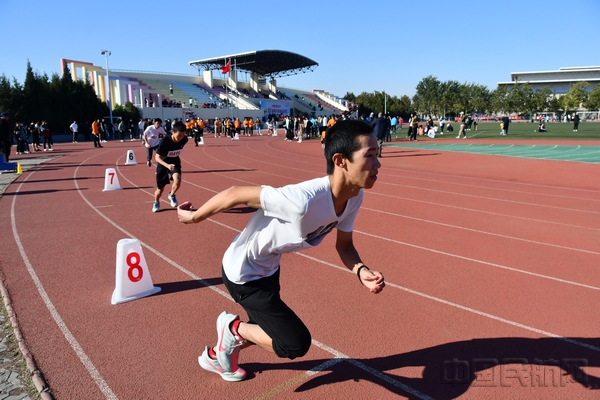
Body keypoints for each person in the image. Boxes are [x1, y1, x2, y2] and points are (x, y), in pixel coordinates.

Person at [177, 119, 385, 382]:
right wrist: (192, 218)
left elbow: (344, 245)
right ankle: (231, 330)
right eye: (370, 156)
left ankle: (219, 355)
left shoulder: (354, 196)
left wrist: (361, 270)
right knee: (294, 343)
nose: (378, 165)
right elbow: (235, 193)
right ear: (340, 161)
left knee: (268, 328)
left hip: (268, 269)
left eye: (378, 155)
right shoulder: (301, 201)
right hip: (243, 272)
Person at [152, 121, 188, 213]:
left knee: (178, 180)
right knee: (160, 190)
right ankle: (156, 202)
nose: (180, 138)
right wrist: (167, 165)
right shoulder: (164, 141)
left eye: (183, 135)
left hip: (174, 162)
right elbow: (157, 157)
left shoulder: (185, 139)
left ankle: (171, 194)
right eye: (179, 135)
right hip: (163, 164)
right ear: (172, 132)